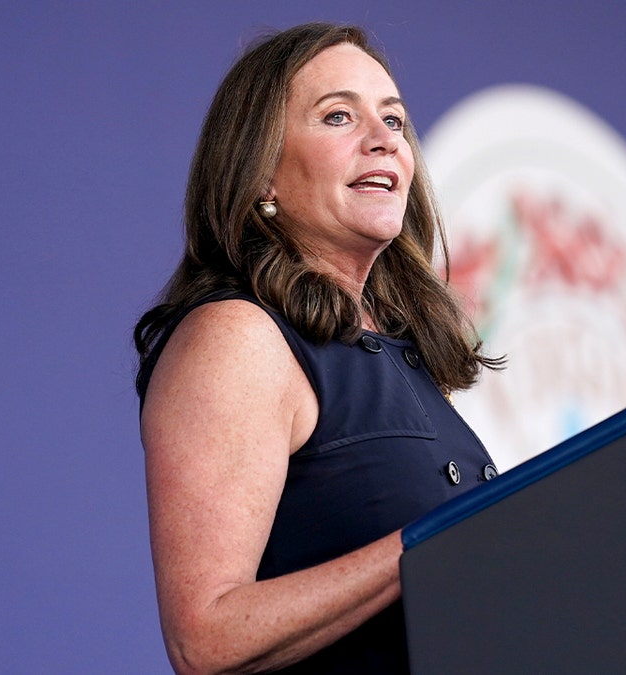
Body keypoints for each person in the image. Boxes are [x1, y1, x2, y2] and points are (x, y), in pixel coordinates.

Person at [133, 22, 502, 675]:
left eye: (394, 120)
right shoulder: (238, 336)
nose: (384, 138)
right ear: (262, 175)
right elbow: (206, 638)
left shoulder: (403, 357)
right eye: (339, 116)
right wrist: (432, 543)